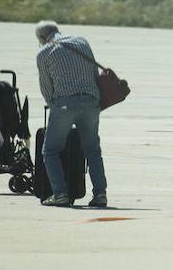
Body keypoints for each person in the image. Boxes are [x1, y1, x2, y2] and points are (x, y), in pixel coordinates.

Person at [34, 21, 108, 208]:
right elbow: (94, 73)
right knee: (92, 150)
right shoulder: (82, 42)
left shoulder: (44, 53)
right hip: (92, 102)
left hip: (64, 105)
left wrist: (55, 107)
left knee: (50, 150)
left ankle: (60, 195)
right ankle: (100, 194)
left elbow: (46, 88)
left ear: (43, 38)